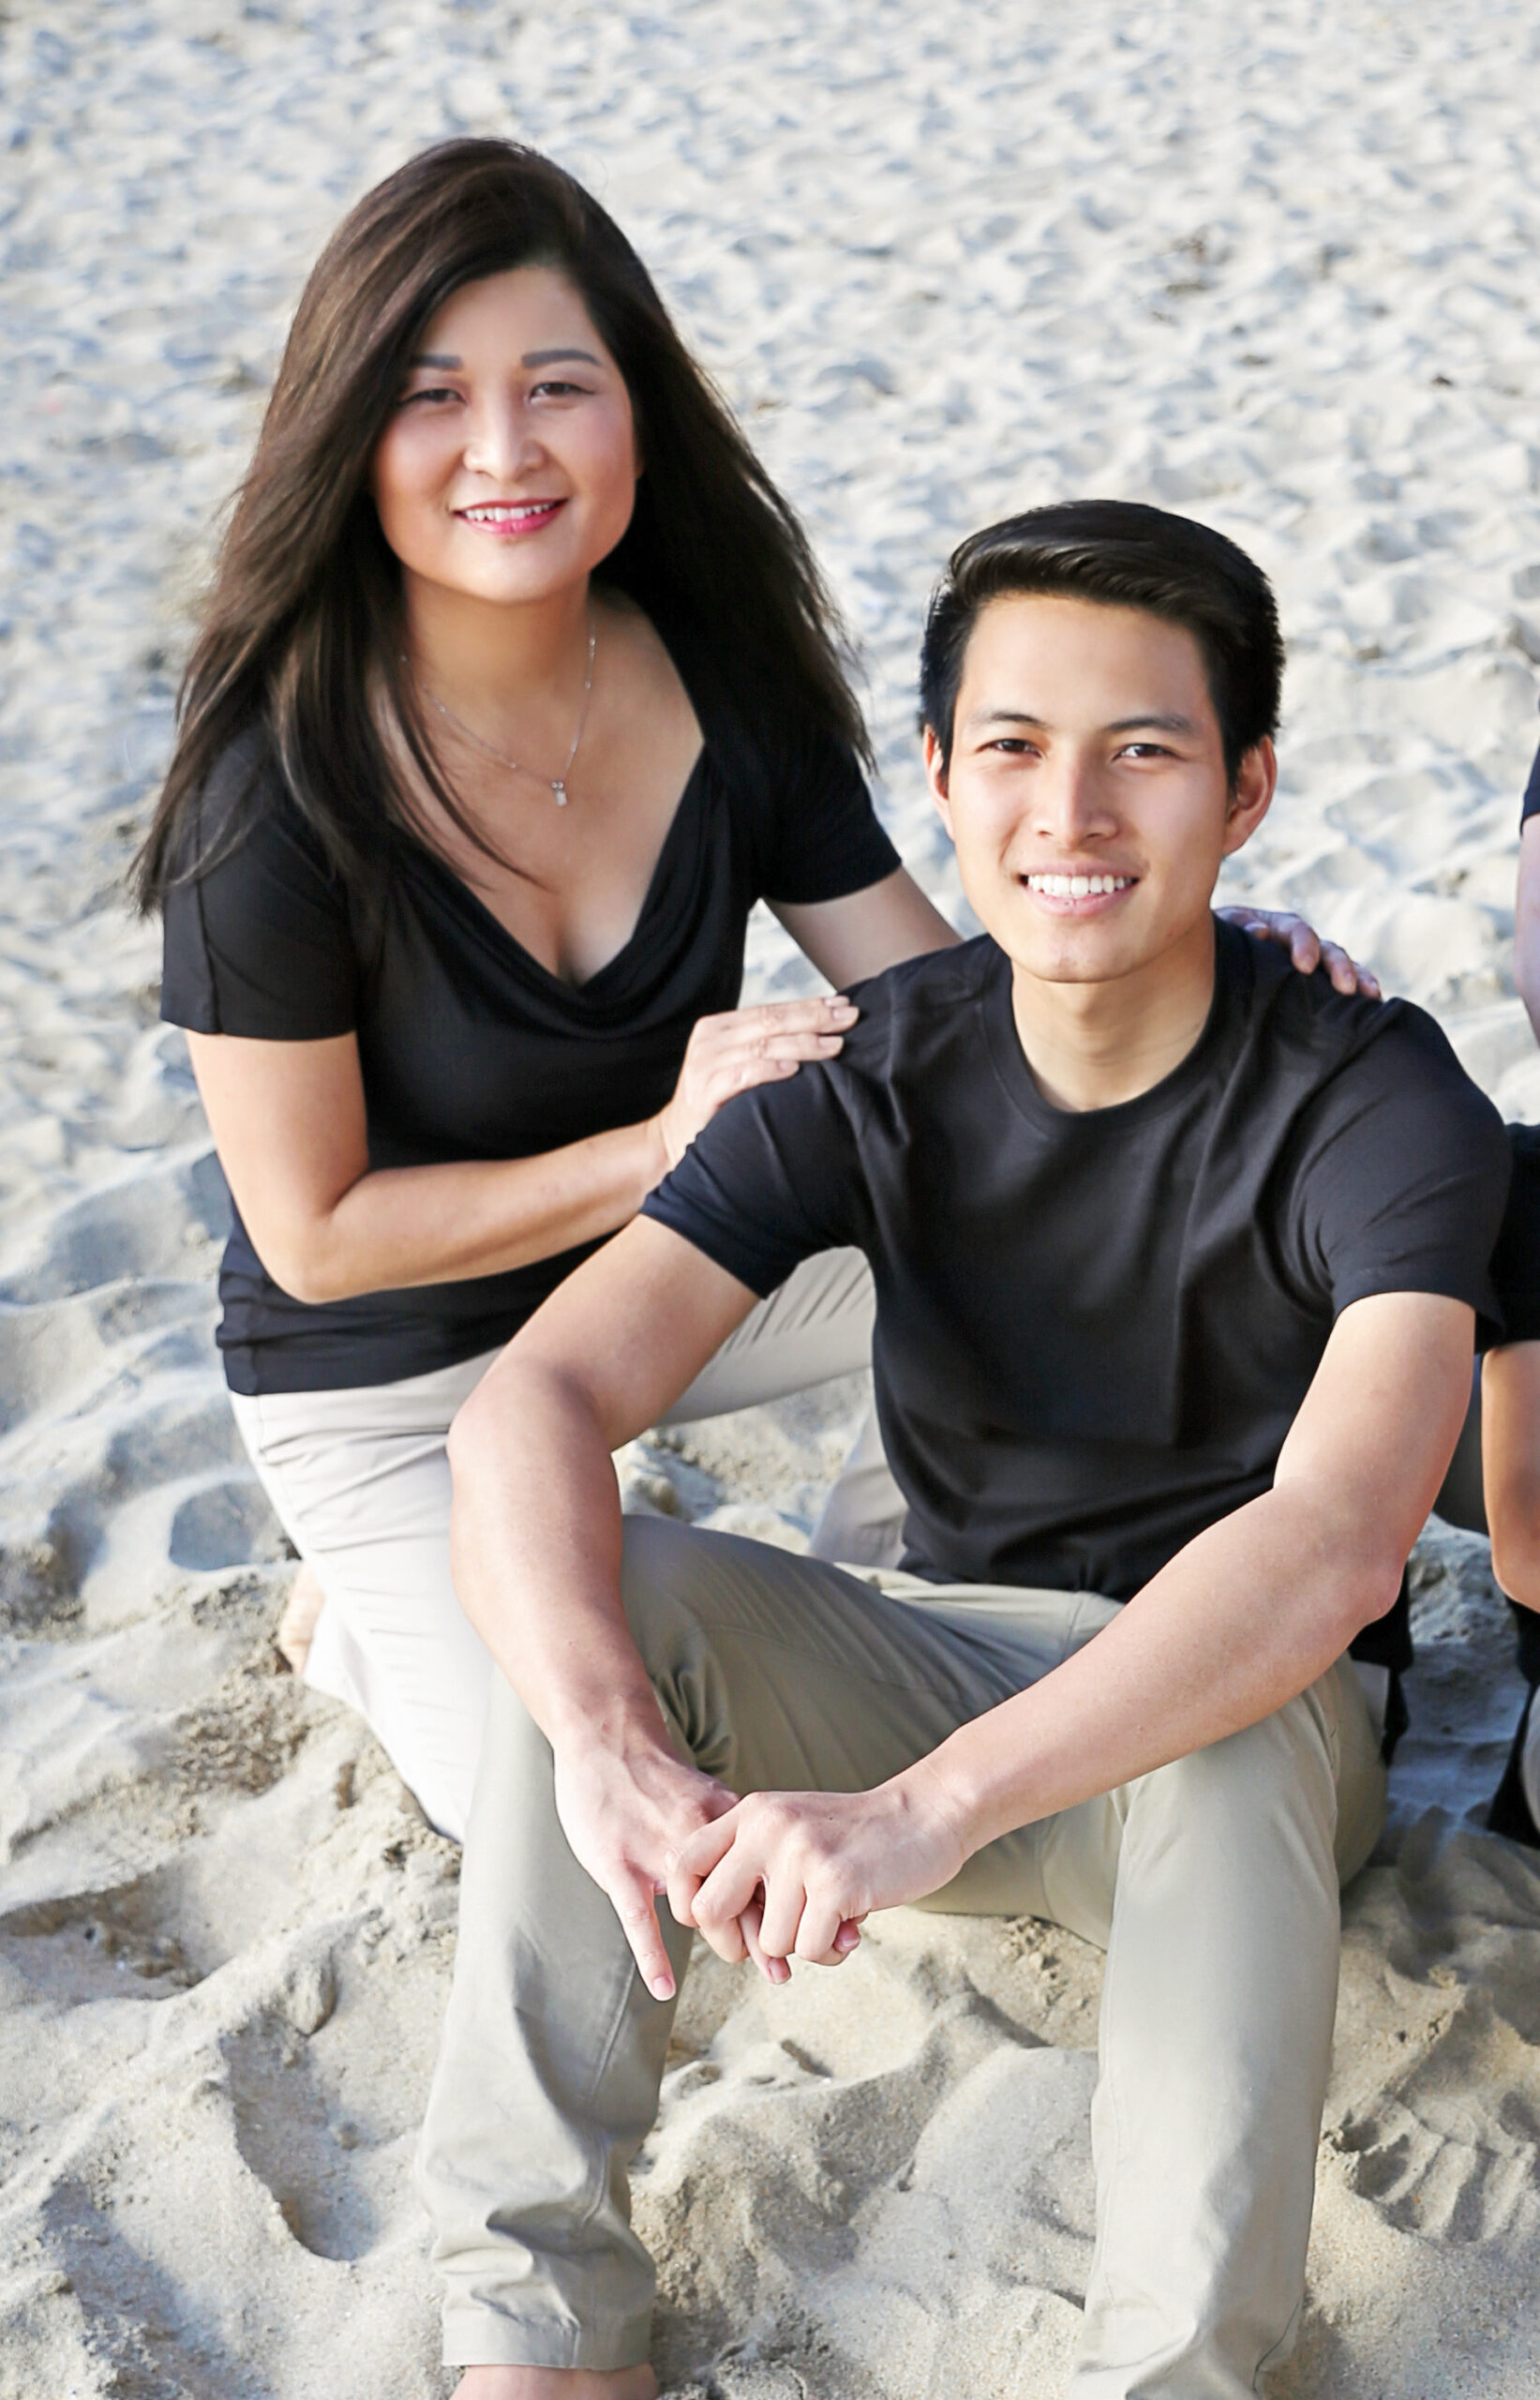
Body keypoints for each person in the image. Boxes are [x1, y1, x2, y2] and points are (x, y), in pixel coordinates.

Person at [134, 141, 1353, 1843]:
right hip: (393, 1371)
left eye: (559, 385)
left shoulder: (722, 678)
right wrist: (659, 1145)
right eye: (434, 399)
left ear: (638, 410)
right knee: (545, 1808)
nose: (506, 451)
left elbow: (958, 1006)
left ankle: (926, 1567)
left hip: (668, 1287)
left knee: (1088, 1220)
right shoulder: (269, 790)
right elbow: (316, 1233)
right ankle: (358, 1613)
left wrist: (1192, 941)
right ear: (351, 436)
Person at [420, 500, 1508, 2400]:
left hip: (1245, 1747)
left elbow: (1339, 1534)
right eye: (1012, 747)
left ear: (1247, 788)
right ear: (938, 772)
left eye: (1145, 751)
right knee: (620, 1586)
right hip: (928, 1681)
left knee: (1241, 1697)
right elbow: (540, 1394)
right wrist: (606, 1731)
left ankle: (1180, 2372)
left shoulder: (1379, 1091)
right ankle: (532, 2329)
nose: (1070, 813)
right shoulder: (876, 1062)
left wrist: (929, 1807)